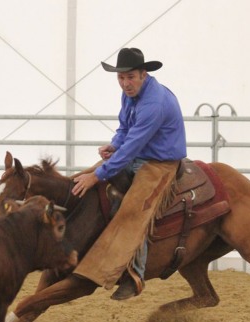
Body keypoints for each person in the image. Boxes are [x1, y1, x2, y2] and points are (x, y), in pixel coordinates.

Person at [71, 48, 187, 300]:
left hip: (160, 163)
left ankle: (135, 275)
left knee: (135, 209)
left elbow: (133, 144)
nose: (125, 83)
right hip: (138, 155)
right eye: (121, 78)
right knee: (83, 178)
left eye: (130, 77)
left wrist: (98, 175)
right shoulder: (130, 96)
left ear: (143, 74)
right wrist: (114, 144)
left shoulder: (154, 104)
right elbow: (125, 130)